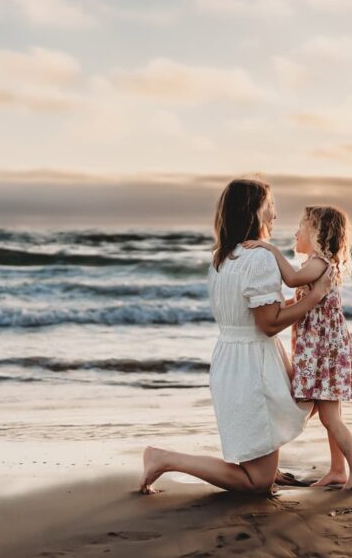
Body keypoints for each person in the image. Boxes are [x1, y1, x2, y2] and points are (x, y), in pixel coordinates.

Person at [138, 178, 331, 495]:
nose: (275, 214)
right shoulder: (259, 259)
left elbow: (250, 315)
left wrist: (295, 302)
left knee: (304, 400)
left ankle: (268, 465)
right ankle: (164, 459)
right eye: (270, 206)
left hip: (231, 359)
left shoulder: (221, 257)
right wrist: (315, 296)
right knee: (257, 484)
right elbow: (268, 324)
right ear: (254, 212)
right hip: (253, 364)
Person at [244, 205, 352, 490]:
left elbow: (290, 279)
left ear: (317, 234)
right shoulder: (318, 264)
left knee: (329, 417)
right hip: (324, 353)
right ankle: (338, 470)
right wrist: (274, 310)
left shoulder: (318, 264)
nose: (295, 232)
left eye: (301, 227)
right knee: (330, 416)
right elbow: (304, 304)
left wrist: (270, 250)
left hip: (324, 355)